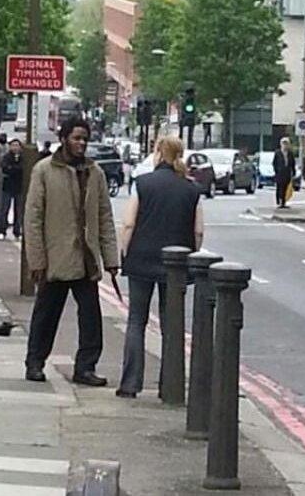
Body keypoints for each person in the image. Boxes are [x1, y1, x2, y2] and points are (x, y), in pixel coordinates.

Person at [24, 117, 119, 386]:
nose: (81, 143)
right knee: (46, 315)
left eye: (85, 139)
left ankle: (85, 368)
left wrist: (111, 259)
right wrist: (37, 259)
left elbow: (104, 217)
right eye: (76, 138)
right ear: (63, 138)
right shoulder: (44, 170)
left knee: (91, 318)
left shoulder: (95, 173)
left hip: (86, 259)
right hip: (55, 258)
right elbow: (33, 219)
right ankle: (35, 363)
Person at [116, 136, 204, 399]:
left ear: (157, 153)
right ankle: (170, 386)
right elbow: (198, 231)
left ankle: (130, 384)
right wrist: (192, 254)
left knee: (136, 321)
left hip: (141, 258)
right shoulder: (192, 189)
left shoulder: (142, 184)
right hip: (176, 263)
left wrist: (125, 252)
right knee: (171, 324)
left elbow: (129, 223)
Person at [0, 139, 24, 241]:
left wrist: (12, 169)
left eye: (17, 145)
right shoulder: (7, 157)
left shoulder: (23, 157)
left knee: (19, 210)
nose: (15, 147)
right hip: (8, 186)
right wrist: (14, 169)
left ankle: (17, 231)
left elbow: (22, 169)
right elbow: (5, 168)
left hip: (19, 186)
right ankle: (1, 230)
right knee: (4, 209)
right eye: (13, 145)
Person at [273, 137, 296, 209]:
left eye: (286, 144)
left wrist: (293, 171)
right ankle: (279, 202)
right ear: (281, 144)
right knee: (280, 188)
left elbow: (292, 163)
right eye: (284, 143)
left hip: (287, 173)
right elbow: (274, 163)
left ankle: (283, 202)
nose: (285, 145)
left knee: (285, 188)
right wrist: (277, 170)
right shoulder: (277, 153)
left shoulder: (290, 153)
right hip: (280, 173)